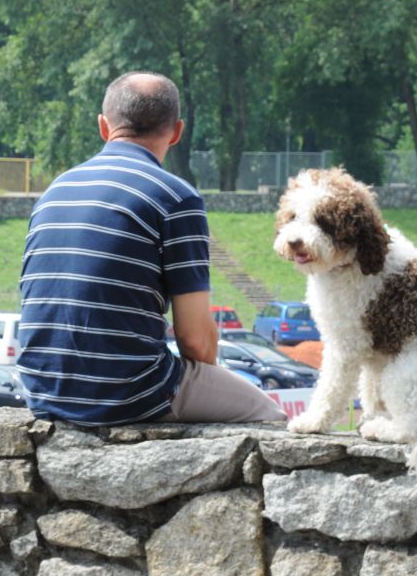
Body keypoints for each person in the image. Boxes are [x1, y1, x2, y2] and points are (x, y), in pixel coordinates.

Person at [18, 71, 286, 426]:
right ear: (177, 132)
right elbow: (194, 340)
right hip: (131, 394)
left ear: (103, 126)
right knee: (271, 416)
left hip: (41, 392)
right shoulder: (176, 198)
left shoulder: (54, 192)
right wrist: (206, 382)